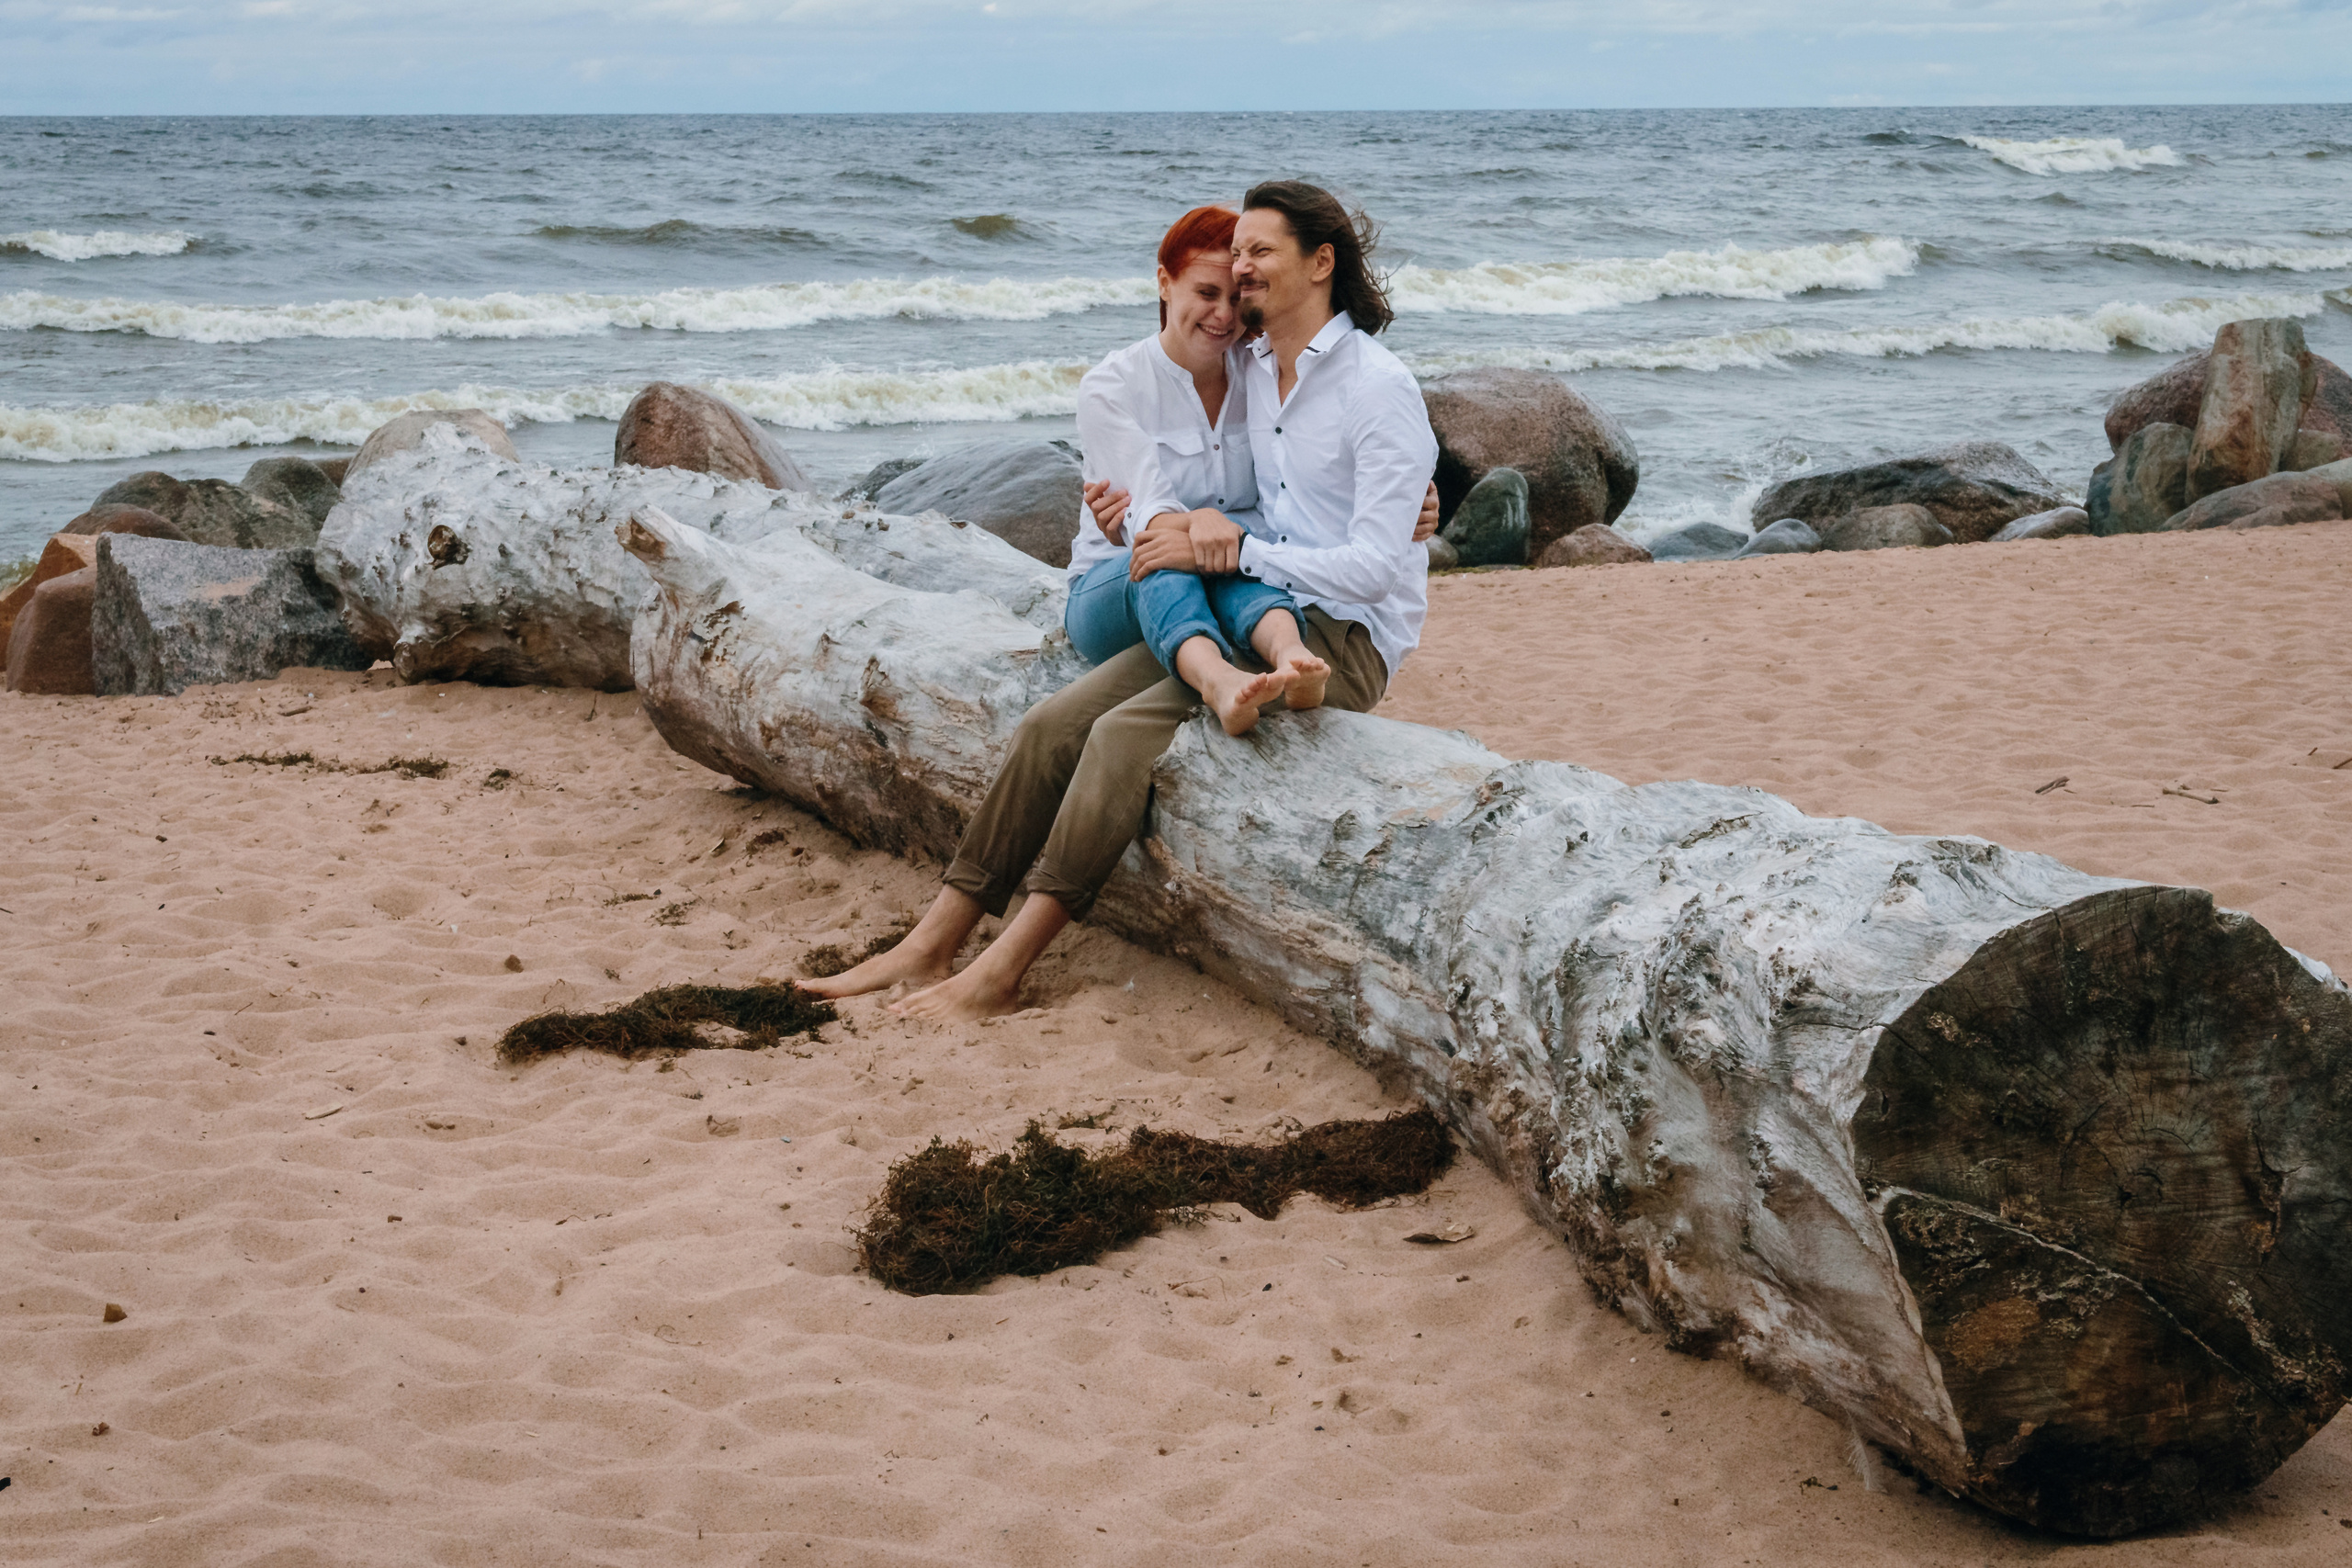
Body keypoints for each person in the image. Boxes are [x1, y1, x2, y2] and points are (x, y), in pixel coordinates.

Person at [804, 180, 1439, 1022]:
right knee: (1046, 729)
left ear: (1321, 263)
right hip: (1253, 604)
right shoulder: (1255, 365)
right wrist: (1157, 525)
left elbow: (1371, 568)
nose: (1240, 271)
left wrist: (1247, 542)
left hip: (1343, 635)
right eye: (1232, 256)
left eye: (1257, 254)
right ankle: (933, 939)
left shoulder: (1374, 386)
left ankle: (1003, 969)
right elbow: (1200, 478)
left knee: (1115, 737)